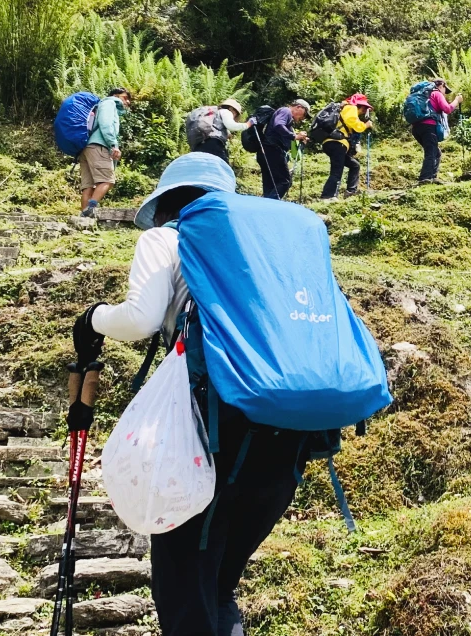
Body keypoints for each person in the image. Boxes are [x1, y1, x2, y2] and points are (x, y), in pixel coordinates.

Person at [71, 153, 305, 636]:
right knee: (219, 587)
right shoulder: (264, 245)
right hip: (290, 429)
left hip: (214, 426)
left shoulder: (167, 237)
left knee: (184, 585)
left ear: (166, 203)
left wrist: (92, 318)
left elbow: (140, 319)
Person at [80, 88, 132, 218]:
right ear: (115, 95)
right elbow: (106, 124)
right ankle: (90, 208)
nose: (128, 102)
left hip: (87, 148)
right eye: (125, 98)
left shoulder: (102, 105)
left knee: (88, 186)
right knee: (107, 180)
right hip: (99, 146)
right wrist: (113, 144)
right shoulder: (109, 103)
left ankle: (84, 218)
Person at [254, 99, 310, 199]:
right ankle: (271, 203)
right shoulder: (286, 111)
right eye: (304, 114)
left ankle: (266, 204)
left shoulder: (285, 117)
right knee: (285, 181)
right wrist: (294, 136)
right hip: (273, 150)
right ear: (298, 107)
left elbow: (284, 137)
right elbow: (278, 125)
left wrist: (299, 140)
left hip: (266, 151)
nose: (303, 118)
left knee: (271, 184)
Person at [322, 94, 372, 199]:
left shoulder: (344, 109)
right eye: (364, 108)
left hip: (334, 143)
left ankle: (351, 191)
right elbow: (355, 124)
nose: (364, 111)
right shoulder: (351, 107)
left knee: (355, 165)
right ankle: (327, 196)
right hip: (337, 143)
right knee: (337, 171)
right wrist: (365, 125)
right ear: (359, 105)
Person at [413, 78, 460, 184]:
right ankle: (425, 179)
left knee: (436, 153)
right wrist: (456, 101)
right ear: (441, 85)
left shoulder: (422, 95)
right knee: (431, 153)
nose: (444, 93)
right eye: (445, 90)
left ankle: (432, 177)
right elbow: (447, 109)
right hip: (428, 127)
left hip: (416, 128)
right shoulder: (436, 93)